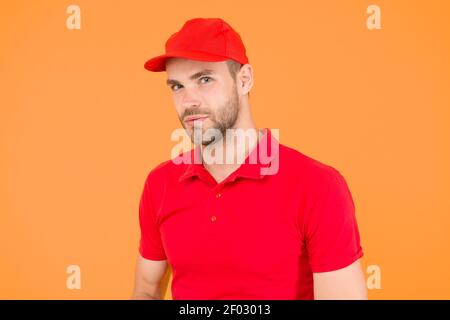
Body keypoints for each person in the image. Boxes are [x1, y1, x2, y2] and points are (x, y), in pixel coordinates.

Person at [132, 17, 367, 300]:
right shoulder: (161, 184)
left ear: (244, 80)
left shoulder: (318, 186)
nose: (188, 100)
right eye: (177, 86)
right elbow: (146, 290)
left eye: (204, 79)